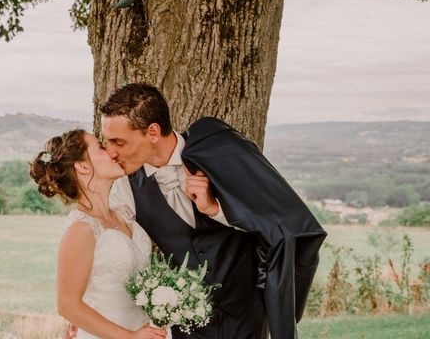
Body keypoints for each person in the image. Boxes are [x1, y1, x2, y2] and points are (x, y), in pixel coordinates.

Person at [102, 83, 327, 339]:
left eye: (118, 141)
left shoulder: (218, 155)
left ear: (153, 132)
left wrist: (215, 209)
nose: (111, 151)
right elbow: (111, 245)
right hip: (185, 322)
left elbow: (273, 221)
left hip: (247, 311)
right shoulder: (124, 185)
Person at [29, 129, 168, 339]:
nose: (112, 152)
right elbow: (67, 305)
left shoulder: (123, 212)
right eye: (101, 147)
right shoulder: (81, 229)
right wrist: (130, 337)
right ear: (83, 166)